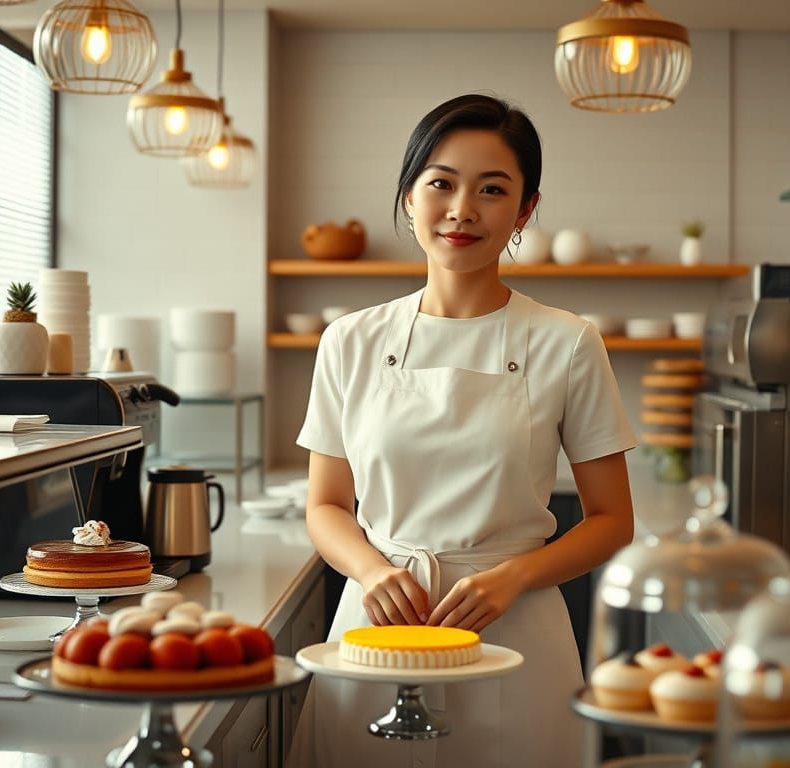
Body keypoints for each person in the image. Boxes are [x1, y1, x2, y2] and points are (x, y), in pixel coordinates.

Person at [288, 93, 636, 768]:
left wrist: (512, 579)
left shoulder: (567, 342)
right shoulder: (349, 342)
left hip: (516, 635)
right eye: (441, 183)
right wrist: (369, 569)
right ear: (410, 195)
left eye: (492, 189)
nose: (461, 210)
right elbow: (326, 504)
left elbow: (612, 520)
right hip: (376, 625)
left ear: (524, 211)